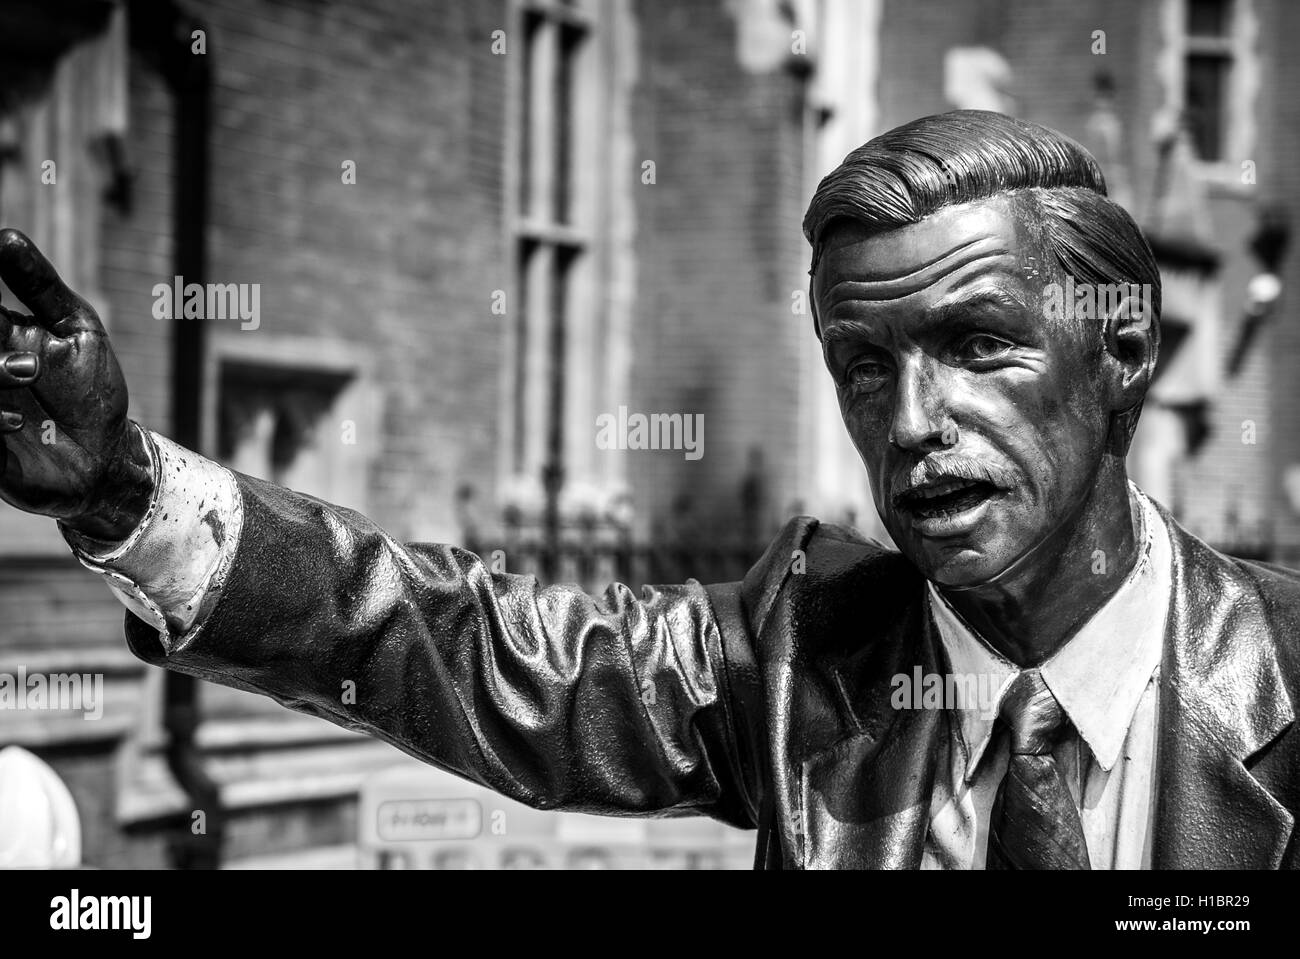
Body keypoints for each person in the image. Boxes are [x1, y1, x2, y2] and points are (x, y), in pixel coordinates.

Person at [0, 111, 1295, 869]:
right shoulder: (797, 661)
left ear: (1122, 350)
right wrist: (125, 491)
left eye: (975, 345)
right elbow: (454, 644)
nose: (912, 423)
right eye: (861, 366)